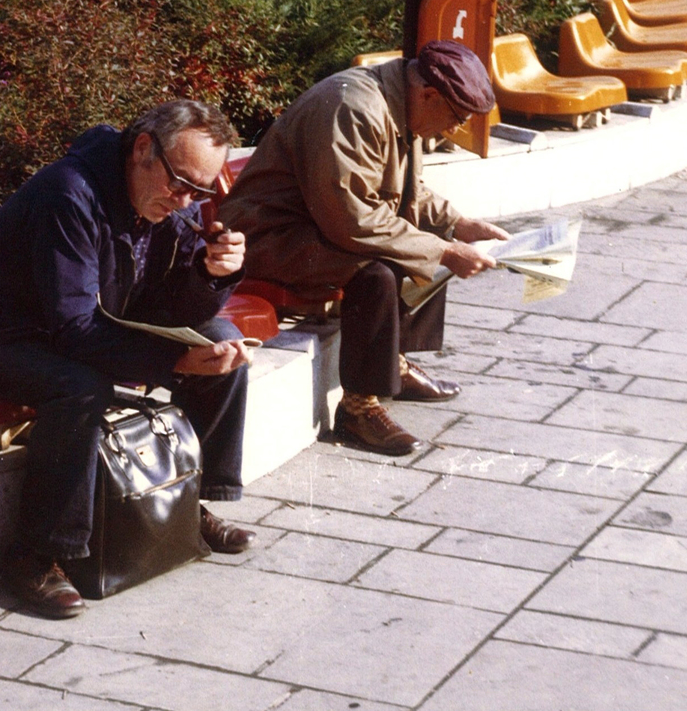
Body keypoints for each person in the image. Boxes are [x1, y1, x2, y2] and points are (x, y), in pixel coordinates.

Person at [0, 100, 259, 619]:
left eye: (200, 193)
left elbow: (170, 307)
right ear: (142, 149)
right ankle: (37, 556)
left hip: (75, 325)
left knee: (222, 341)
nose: (185, 202)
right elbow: (74, 331)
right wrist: (173, 363)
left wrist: (212, 274)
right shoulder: (69, 193)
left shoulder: (162, 195)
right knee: (79, 386)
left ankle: (185, 503)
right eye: (180, 184)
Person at [218, 41, 509, 456]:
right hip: (268, 236)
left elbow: (406, 190)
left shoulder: (400, 102)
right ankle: (358, 409)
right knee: (378, 271)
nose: (450, 130)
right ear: (428, 94)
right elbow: (351, 222)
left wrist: (457, 224)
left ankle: (395, 364)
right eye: (455, 118)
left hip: (314, 227)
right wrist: (445, 250)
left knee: (425, 245)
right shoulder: (352, 108)